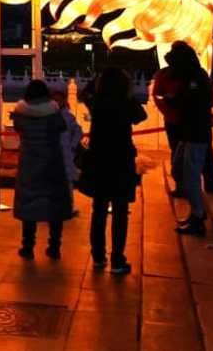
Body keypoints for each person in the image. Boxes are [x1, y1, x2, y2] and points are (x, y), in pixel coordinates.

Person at [84, 68, 146, 274]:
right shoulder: (125, 103)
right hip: (121, 160)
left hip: (100, 159)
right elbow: (141, 115)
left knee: (99, 210)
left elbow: (85, 93)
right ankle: (118, 259)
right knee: (120, 211)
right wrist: (127, 94)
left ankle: (98, 256)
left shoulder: (97, 102)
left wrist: (97, 81)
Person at [12, 80, 74, 259]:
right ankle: (54, 247)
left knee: (29, 205)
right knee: (54, 206)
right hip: (51, 163)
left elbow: (17, 128)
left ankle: (28, 247)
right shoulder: (53, 112)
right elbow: (62, 127)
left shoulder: (20, 113)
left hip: (29, 164)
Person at [161, 42, 213, 236]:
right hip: (186, 132)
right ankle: (196, 212)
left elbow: (193, 102)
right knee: (178, 169)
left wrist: (173, 99)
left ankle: (198, 215)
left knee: (191, 176)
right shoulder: (189, 76)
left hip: (196, 133)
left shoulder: (196, 78)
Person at [154, 61, 213, 198]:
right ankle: (190, 185)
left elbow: (204, 94)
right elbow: (159, 94)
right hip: (188, 120)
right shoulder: (169, 74)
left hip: (189, 120)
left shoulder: (195, 74)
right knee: (186, 153)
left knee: (198, 153)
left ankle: (202, 183)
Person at [57, 94, 84, 214]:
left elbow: (78, 131)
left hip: (65, 153)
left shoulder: (67, 117)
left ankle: (68, 206)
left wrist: (72, 145)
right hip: (57, 153)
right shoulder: (55, 116)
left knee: (66, 181)